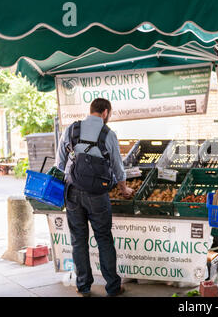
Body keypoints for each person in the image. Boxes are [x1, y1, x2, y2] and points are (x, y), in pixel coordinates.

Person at [55, 98, 134, 297]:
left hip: (72, 192)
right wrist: (124, 189)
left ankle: (83, 286)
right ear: (105, 112)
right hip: (97, 195)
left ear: (91, 111)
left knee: (78, 240)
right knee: (104, 239)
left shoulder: (71, 130)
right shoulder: (108, 134)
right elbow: (118, 167)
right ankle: (113, 287)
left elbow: (59, 163)